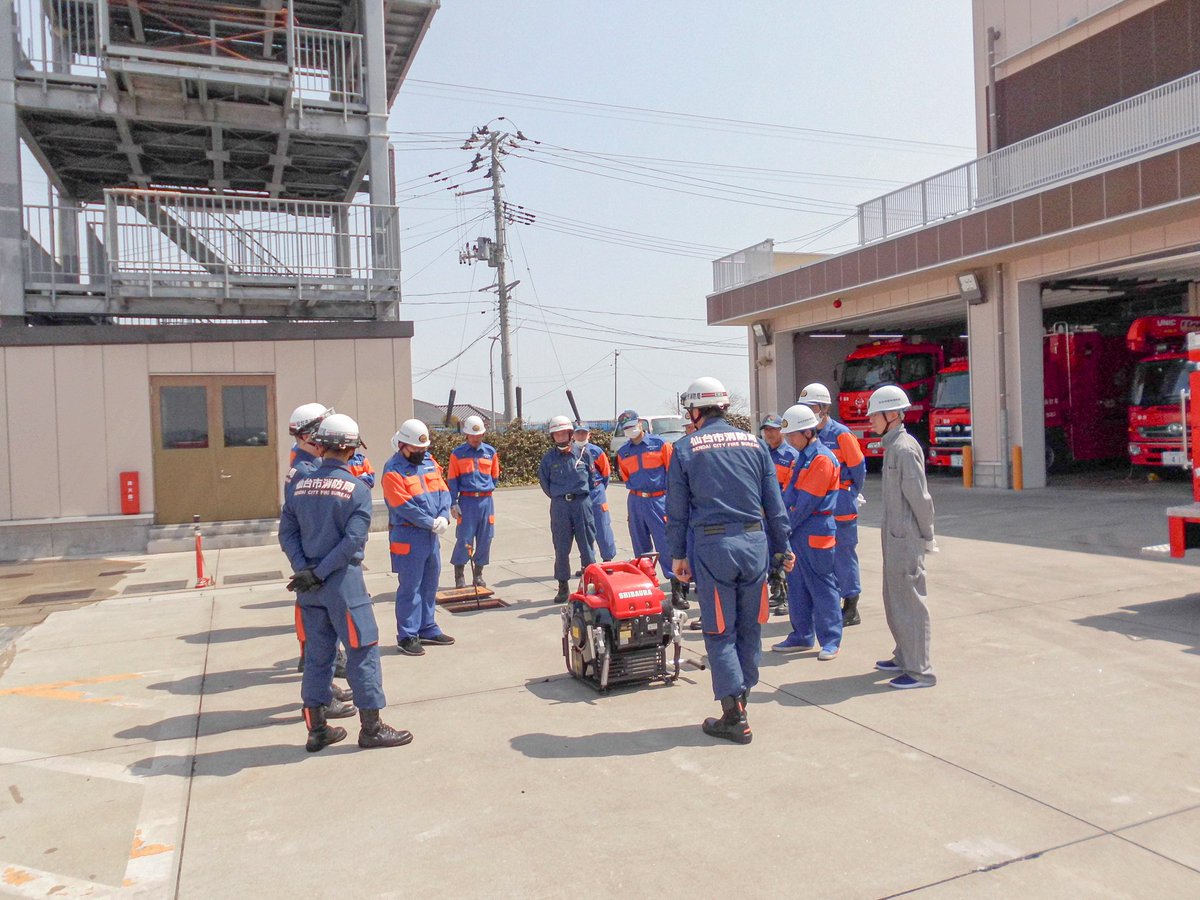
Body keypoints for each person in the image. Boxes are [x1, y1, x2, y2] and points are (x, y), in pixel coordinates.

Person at [666, 377, 793, 744]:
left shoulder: (685, 448)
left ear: (694, 410)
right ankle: (743, 699)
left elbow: (676, 511)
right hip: (755, 545)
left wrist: (677, 557)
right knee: (750, 626)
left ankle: (733, 715)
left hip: (714, 547)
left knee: (719, 631)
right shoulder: (754, 443)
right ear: (724, 406)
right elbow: (775, 504)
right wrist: (782, 548)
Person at [279, 413, 412, 751]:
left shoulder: (299, 484)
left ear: (320, 445)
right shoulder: (356, 489)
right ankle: (372, 729)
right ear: (352, 449)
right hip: (343, 583)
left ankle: (317, 729)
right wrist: (322, 572)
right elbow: (352, 542)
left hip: (308, 586)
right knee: (362, 649)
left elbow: (288, 532)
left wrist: (305, 570)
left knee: (317, 656)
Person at [868, 385, 937, 689]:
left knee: (910, 602)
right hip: (895, 535)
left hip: (906, 537)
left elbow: (920, 498)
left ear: (892, 414)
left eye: (875, 416)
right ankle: (904, 655)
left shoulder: (905, 449)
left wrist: (927, 534)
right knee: (894, 597)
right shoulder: (893, 447)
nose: (871, 421)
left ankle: (920, 670)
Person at [772, 405, 842, 661]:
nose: (788, 439)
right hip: (797, 532)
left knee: (822, 586)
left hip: (815, 530)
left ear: (808, 432)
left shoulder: (821, 459)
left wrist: (782, 527)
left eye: (792, 435)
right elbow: (788, 496)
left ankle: (831, 639)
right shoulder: (802, 458)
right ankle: (801, 635)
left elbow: (805, 504)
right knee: (797, 585)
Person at [285, 402, 348, 686]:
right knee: (319, 635)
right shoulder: (304, 472)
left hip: (321, 565)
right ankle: (323, 694)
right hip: (316, 564)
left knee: (325, 632)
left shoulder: (313, 466)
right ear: (306, 436)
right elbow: (296, 526)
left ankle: (326, 686)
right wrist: (307, 570)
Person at [382, 418, 455, 657]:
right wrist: (430, 522)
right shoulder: (393, 470)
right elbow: (402, 505)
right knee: (410, 587)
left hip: (431, 534)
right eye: (416, 449)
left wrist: (444, 514)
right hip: (408, 534)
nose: (421, 453)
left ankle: (428, 627)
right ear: (403, 444)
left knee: (430, 582)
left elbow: (443, 490)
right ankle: (407, 635)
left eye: (424, 449)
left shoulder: (429, 462)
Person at [798, 382, 867, 626]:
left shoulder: (840, 434)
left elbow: (858, 469)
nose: (808, 411)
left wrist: (849, 492)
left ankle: (851, 606)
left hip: (841, 503)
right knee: (822, 555)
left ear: (824, 408)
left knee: (843, 554)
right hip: (816, 505)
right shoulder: (803, 435)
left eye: (812, 406)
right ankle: (829, 602)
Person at [615, 409, 687, 610]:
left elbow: (673, 473)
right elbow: (626, 476)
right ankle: (647, 589)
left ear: (640, 424)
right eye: (626, 428)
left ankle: (677, 590)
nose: (630, 430)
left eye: (632, 426)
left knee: (666, 545)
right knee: (640, 547)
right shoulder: (623, 453)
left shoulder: (660, 444)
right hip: (636, 500)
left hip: (659, 499)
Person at [538, 415, 596, 603]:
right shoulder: (548, 459)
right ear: (552, 437)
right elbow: (545, 483)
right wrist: (560, 497)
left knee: (587, 546)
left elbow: (592, 479)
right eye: (557, 434)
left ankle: (590, 585)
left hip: (581, 503)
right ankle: (563, 586)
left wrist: (580, 496)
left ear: (571, 434)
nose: (561, 437)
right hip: (560, 506)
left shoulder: (583, 454)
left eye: (564, 433)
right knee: (561, 548)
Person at [446, 415, 501, 588]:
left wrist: (487, 488)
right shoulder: (457, 454)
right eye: (473, 436)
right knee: (465, 538)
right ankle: (459, 574)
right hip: (467, 502)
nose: (476, 439)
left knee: (486, 538)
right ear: (466, 435)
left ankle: (478, 574)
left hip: (486, 501)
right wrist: (453, 502)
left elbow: (495, 476)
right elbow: (452, 480)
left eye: (479, 436)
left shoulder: (490, 452)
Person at [759, 413, 799, 615]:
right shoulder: (762, 453)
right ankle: (777, 592)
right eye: (766, 430)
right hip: (763, 514)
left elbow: (792, 488)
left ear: (781, 430)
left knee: (784, 552)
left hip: (782, 513)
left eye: (773, 429)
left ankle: (788, 596)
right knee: (770, 554)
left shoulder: (791, 455)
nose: (769, 433)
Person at [575, 423, 617, 562]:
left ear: (589, 435)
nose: (581, 436)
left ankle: (607, 559)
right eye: (578, 433)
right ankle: (588, 562)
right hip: (580, 494)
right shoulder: (570, 452)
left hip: (596, 492)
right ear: (573, 435)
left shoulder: (596, 451)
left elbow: (605, 473)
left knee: (602, 525)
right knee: (584, 529)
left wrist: (598, 489)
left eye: (584, 433)